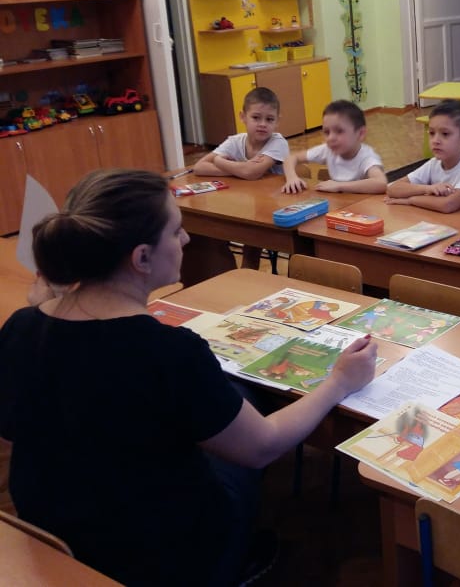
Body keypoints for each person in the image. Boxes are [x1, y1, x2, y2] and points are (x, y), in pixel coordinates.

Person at [0, 169, 378, 586]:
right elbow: (262, 447)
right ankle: (236, 560)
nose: (186, 240)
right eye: (176, 230)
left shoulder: (21, 326)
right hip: (158, 555)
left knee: (226, 400)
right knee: (242, 424)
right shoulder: (168, 351)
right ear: (141, 258)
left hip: (51, 526)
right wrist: (339, 382)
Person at [193, 86, 289, 269]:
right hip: (243, 204)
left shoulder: (278, 142)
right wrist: (238, 168)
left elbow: (251, 173)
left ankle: (246, 275)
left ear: (277, 121)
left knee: (251, 238)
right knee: (211, 228)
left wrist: (220, 161)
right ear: (243, 116)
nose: (262, 124)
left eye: (269, 119)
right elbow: (199, 167)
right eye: (256, 117)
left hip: (274, 210)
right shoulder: (235, 141)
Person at [386, 99, 460, 211]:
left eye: (445, 134)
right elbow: (393, 189)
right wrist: (427, 189)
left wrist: (410, 201)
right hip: (440, 220)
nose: (435, 140)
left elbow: (448, 205)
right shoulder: (433, 164)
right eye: (431, 133)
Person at [281, 99, 387, 195]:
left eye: (339, 131)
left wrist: (339, 186)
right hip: (340, 204)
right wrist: (291, 178)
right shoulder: (328, 150)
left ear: (360, 134)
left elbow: (380, 183)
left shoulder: (367, 157)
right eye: (327, 132)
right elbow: (291, 157)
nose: (331, 138)